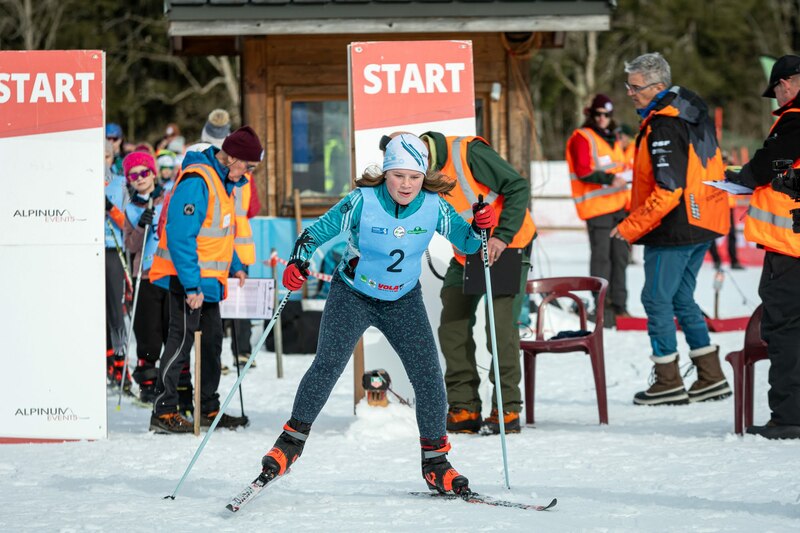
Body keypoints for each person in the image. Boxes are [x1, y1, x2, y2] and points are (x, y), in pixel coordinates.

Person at [259, 133, 496, 495]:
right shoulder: (361, 201)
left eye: (414, 177)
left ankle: (436, 463)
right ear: (386, 173)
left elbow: (468, 242)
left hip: (403, 300)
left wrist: (481, 226)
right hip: (353, 294)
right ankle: (289, 445)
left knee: (429, 377)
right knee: (327, 365)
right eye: (399, 175)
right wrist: (297, 261)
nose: (407, 184)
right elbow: (314, 233)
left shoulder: (434, 206)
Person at [611, 52, 732, 406]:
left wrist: (630, 226)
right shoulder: (689, 115)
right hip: (702, 221)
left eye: (636, 87)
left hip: (675, 227)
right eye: (628, 85)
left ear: (658, 86)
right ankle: (710, 376)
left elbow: (668, 189)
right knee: (681, 298)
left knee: (656, 299)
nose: (630, 93)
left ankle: (668, 381)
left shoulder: (664, 125)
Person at [417, 131, 537, 434]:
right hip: (468, 252)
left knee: (499, 328)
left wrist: (502, 236)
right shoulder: (416, 174)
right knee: (452, 326)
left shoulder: (467, 152)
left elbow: (518, 186)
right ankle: (465, 407)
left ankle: (506, 408)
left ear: (426, 154)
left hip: (506, 246)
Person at [148, 126, 263, 433]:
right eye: (249, 167)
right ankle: (164, 411)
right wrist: (191, 286)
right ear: (233, 157)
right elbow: (180, 236)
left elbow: (221, 233)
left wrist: (235, 265)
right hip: (189, 281)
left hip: (210, 282)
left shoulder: (225, 183)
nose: (249, 174)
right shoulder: (197, 180)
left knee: (212, 345)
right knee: (181, 342)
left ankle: (208, 408)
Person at [726, 54, 800, 439]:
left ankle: (788, 417)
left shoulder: (794, 119)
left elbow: (767, 165)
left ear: (784, 84)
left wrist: (742, 177)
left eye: (776, 91)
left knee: (785, 328)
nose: (777, 98)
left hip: (790, 248)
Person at [566, 94, 631, 327]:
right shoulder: (582, 137)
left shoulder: (613, 138)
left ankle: (620, 306)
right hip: (598, 209)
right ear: (591, 114)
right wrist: (609, 179)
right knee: (602, 259)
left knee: (620, 258)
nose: (602, 118)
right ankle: (602, 306)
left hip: (619, 207)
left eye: (606, 114)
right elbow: (583, 171)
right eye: (598, 114)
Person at [122, 151, 169, 404]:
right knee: (148, 331)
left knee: (170, 328)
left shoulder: (167, 198)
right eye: (133, 175)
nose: (140, 178)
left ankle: (174, 382)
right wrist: (141, 225)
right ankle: (148, 383)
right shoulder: (131, 208)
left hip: (168, 271)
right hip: (146, 274)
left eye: (144, 172)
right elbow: (130, 245)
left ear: (153, 173)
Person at [104, 139, 130, 390]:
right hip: (85, 250)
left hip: (112, 249)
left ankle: (121, 363)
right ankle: (105, 358)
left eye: (107, 157)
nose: (102, 162)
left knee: (115, 309)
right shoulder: (80, 179)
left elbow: (127, 223)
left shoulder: (119, 183)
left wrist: (109, 208)